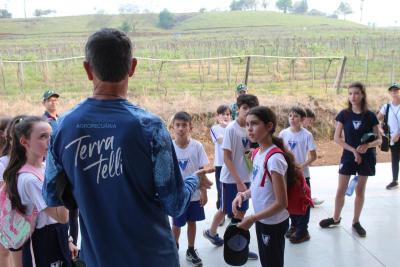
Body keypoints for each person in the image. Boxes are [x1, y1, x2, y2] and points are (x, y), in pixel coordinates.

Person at [42, 28, 212, 267]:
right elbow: (174, 203)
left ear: (88, 70)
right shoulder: (149, 127)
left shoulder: (62, 128)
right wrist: (194, 180)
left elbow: (51, 196)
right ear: (132, 67)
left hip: (99, 259)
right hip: (154, 258)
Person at [3, 116, 76, 267]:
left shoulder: (43, 168)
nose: (50, 141)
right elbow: (62, 217)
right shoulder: (29, 179)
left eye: (51, 136)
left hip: (56, 235)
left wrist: (67, 239)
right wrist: (63, 175)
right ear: (24, 142)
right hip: (42, 242)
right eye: (43, 137)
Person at [232, 106, 293, 267]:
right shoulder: (258, 153)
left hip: (273, 223)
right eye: (247, 124)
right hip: (262, 219)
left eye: (254, 124)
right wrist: (243, 195)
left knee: (272, 263)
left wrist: (252, 218)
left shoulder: (274, 159)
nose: (249, 129)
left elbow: (281, 203)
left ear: (269, 126)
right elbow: (260, 186)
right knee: (267, 261)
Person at [319, 82, 381, 237]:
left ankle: (355, 221)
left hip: (366, 157)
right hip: (348, 156)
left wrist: (367, 145)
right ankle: (335, 218)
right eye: (350, 93)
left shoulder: (371, 116)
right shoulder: (344, 114)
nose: (353, 96)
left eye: (357, 93)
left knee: (360, 190)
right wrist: (353, 150)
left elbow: (379, 139)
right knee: (341, 190)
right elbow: (337, 138)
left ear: (363, 95)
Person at [204, 94, 259, 260]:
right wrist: (239, 181)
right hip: (231, 179)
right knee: (225, 209)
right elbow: (227, 157)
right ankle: (219, 236)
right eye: (244, 108)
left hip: (246, 178)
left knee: (240, 212)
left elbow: (252, 154)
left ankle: (236, 244)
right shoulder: (231, 129)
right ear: (238, 109)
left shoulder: (252, 129)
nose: (248, 112)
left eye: (251, 109)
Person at [171, 111, 209, 267]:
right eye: (177, 125)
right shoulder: (169, 146)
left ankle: (191, 250)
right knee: (177, 224)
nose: (181, 128)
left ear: (190, 128)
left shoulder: (197, 146)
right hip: (177, 195)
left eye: (184, 125)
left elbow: (202, 171)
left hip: (193, 194)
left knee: (192, 221)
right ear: (172, 128)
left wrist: (204, 191)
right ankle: (174, 249)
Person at [279, 106, 316, 244]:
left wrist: (301, 166)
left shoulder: (307, 135)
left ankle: (303, 230)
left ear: (302, 119)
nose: (292, 119)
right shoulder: (283, 133)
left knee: (303, 202)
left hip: (302, 175)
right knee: (290, 201)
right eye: (290, 115)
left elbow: (313, 156)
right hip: (288, 174)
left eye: (295, 116)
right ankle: (293, 225)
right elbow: (280, 152)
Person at [210, 104, 231, 226]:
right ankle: (221, 213)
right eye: (223, 114)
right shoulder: (215, 128)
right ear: (217, 116)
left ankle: (231, 212)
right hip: (220, 164)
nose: (225, 116)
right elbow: (222, 141)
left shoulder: (233, 127)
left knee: (232, 188)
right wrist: (229, 128)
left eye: (228, 114)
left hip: (232, 164)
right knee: (220, 190)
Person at [377, 83, 400, 190]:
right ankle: (395, 181)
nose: (394, 92)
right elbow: (376, 120)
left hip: (397, 137)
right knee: (395, 159)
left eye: (396, 90)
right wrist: (380, 130)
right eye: (392, 90)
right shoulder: (387, 107)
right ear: (390, 92)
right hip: (392, 139)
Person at [303, 107, 324, 206]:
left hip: (303, 166)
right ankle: (308, 200)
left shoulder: (307, 134)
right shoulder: (286, 133)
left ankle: (308, 199)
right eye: (310, 120)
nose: (310, 123)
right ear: (305, 117)